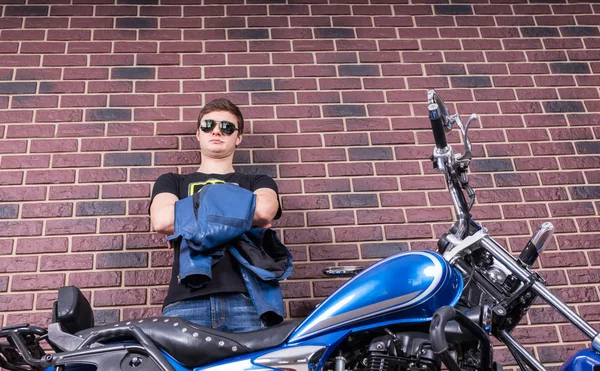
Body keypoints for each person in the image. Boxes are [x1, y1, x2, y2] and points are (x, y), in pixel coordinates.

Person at [149, 98, 283, 333]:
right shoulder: (172, 181)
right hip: (185, 300)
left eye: (227, 127)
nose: (217, 131)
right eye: (208, 125)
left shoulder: (258, 181)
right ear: (198, 133)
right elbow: (162, 220)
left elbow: (263, 211)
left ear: (238, 137)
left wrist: (188, 220)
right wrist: (240, 215)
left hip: (247, 301)